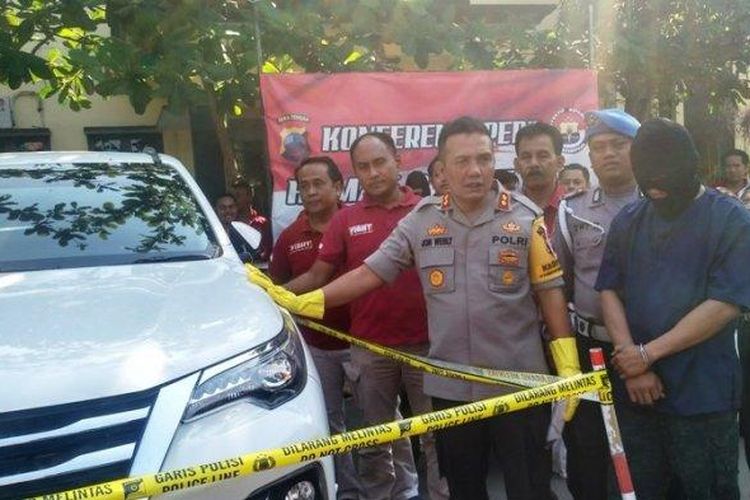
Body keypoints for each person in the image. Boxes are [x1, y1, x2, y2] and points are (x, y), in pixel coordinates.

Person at [249, 117, 582, 500]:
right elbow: (370, 272)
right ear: (444, 167)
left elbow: (550, 292)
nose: (475, 170)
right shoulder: (422, 220)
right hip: (451, 389)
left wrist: (568, 365)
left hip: (519, 385)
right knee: (464, 490)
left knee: (531, 489)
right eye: (462, 161)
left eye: (484, 159)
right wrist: (307, 301)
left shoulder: (525, 216)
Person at [267, 132, 447, 500]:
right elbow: (317, 275)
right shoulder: (346, 219)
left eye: (380, 162)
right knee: (374, 438)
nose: (373, 172)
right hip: (368, 347)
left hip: (427, 346)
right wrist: (274, 296)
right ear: (355, 173)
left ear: (397, 160)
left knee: (435, 437)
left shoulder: (427, 211)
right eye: (363, 167)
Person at [596, 118, 750, 499]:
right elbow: (609, 289)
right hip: (637, 393)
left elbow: (725, 304)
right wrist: (630, 360)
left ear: (690, 167)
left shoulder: (731, 220)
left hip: (702, 395)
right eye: (648, 184)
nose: (657, 191)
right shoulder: (629, 220)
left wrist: (647, 354)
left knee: (706, 490)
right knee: (641, 490)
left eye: (665, 182)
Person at [552, 109, 641, 500]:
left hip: (649, 347)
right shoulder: (573, 210)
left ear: (638, 149)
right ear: (589, 155)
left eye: (618, 145)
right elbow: (561, 284)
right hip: (591, 349)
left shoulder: (661, 204)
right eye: (599, 147)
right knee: (588, 447)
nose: (608, 154)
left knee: (643, 444)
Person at [269, 156, 360, 500]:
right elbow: (278, 290)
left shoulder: (359, 224)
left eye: (318, 183)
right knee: (331, 423)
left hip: (365, 343)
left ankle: (392, 490)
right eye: (304, 186)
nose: (310, 191)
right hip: (316, 347)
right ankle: (349, 490)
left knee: (381, 421)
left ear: (338, 186)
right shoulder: (289, 237)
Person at [514, 122, 567, 234]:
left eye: (543, 156)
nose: (534, 163)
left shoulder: (575, 208)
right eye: (526, 157)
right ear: (517, 165)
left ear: (560, 163)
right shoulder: (504, 211)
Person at [231, 178, 273, 262]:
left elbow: (267, 250)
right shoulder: (231, 223)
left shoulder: (261, 223)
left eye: (238, 196)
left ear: (249, 197)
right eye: (233, 197)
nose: (234, 200)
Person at [214, 193, 261, 262]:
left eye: (231, 207)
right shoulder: (209, 234)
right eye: (223, 208)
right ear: (215, 210)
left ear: (236, 208)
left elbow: (254, 254)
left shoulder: (243, 231)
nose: (228, 211)